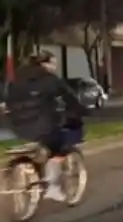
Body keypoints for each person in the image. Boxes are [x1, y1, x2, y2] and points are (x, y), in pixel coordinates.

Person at [5, 50, 87, 202]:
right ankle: (53, 188)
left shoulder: (17, 78)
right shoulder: (51, 79)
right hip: (41, 124)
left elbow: (8, 100)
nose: (54, 67)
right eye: (53, 63)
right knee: (59, 146)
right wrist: (82, 111)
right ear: (44, 64)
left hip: (16, 125)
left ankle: (32, 168)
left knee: (39, 144)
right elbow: (70, 98)